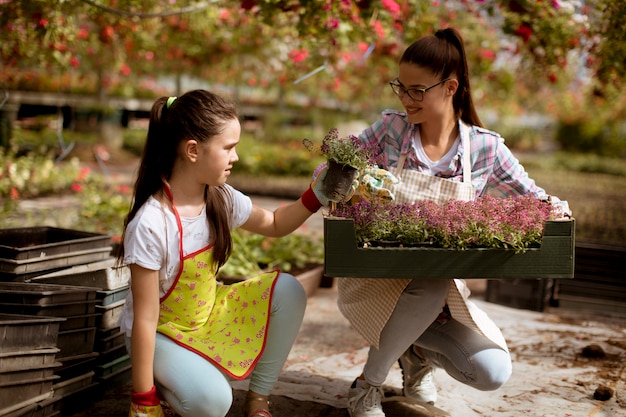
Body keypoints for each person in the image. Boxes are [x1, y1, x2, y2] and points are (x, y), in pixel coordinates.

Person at [340, 27, 570, 417]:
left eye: (417, 90)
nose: (405, 98)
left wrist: (556, 212)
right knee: (428, 281)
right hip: (378, 280)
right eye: (401, 87)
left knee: (491, 371)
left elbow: (532, 197)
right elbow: (335, 171)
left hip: (440, 295)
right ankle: (367, 387)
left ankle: (413, 352)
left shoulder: (484, 148)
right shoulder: (391, 130)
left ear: (450, 87)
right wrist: (351, 185)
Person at [117, 89, 338, 417]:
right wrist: (142, 396)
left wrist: (317, 195)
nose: (235, 157)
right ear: (193, 150)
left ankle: (258, 399)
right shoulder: (151, 223)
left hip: (205, 316)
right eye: (228, 148)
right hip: (160, 333)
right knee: (214, 403)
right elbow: (146, 319)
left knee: (288, 290)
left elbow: (275, 223)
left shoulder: (220, 197)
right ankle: (163, 386)